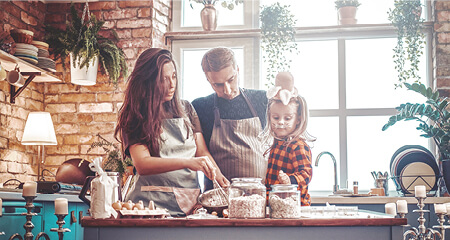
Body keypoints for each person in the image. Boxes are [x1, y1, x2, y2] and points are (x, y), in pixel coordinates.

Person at [114, 48, 227, 217]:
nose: (172, 84)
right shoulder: (135, 115)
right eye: (163, 79)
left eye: (173, 76)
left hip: (189, 204)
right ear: (148, 81)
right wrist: (188, 162)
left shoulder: (186, 109)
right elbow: (142, 164)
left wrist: (219, 177)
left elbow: (201, 152)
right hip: (148, 208)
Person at [192, 47, 268, 190]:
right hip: (218, 195)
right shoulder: (200, 106)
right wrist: (217, 175)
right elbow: (200, 151)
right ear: (208, 79)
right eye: (218, 85)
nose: (226, 90)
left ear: (237, 70)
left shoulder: (262, 99)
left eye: (231, 80)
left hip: (261, 194)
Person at [263, 72, 315, 206]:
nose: (280, 122)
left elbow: (306, 174)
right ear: (269, 117)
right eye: (275, 118)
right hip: (278, 205)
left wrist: (290, 180)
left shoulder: (298, 146)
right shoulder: (277, 143)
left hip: (296, 206)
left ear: (298, 120)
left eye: (287, 118)